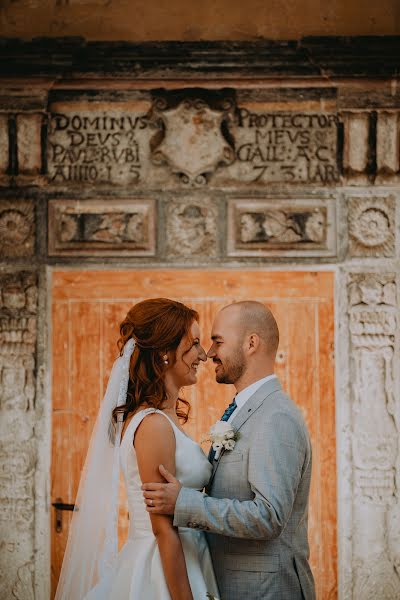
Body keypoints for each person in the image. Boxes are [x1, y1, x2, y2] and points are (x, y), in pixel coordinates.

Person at [143, 301, 316, 600]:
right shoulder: (243, 409)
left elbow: (269, 515)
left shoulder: (276, 416)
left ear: (251, 343)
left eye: (218, 341)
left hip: (265, 591)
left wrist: (186, 503)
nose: (209, 353)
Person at [55, 298, 220, 600]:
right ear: (165, 354)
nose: (203, 355)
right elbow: (163, 530)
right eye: (194, 344)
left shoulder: (160, 419)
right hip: (161, 570)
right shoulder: (153, 424)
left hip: (189, 556)